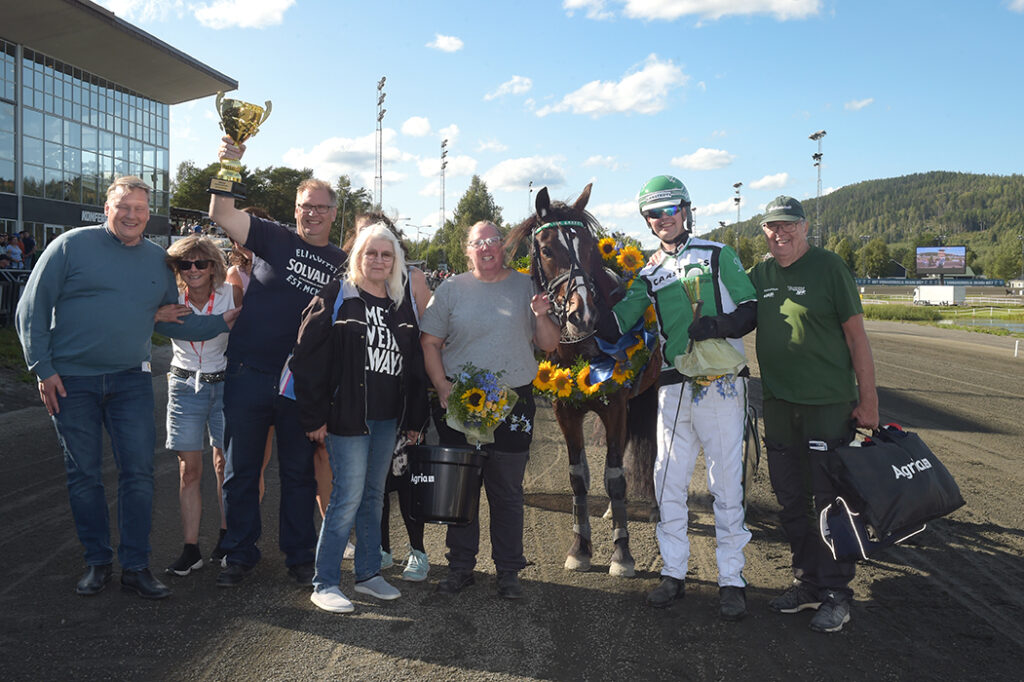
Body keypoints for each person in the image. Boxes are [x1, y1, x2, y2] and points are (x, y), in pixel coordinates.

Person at [15, 176, 237, 599]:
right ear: (107, 209)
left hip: (131, 380)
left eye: (140, 208)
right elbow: (32, 308)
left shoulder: (158, 261)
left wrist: (230, 319)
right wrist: (43, 369)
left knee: (138, 476)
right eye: (124, 207)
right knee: (85, 476)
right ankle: (97, 563)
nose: (132, 214)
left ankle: (135, 566)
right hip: (71, 381)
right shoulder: (70, 246)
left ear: (148, 214)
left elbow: (179, 317)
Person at [611, 175, 757, 621]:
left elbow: (751, 309)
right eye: (652, 214)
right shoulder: (648, 273)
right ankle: (673, 572)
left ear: (686, 210)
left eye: (668, 210)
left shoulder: (718, 255)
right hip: (673, 389)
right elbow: (615, 325)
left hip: (722, 387)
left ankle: (731, 578)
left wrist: (719, 326)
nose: (660, 220)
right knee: (667, 483)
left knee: (725, 486)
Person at [208, 137, 345, 588]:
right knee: (241, 469)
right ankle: (239, 553)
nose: (313, 213)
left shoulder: (346, 265)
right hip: (249, 372)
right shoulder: (275, 238)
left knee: (298, 474)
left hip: (299, 386)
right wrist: (228, 163)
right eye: (306, 205)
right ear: (296, 208)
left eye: (321, 207)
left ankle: (300, 556)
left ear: (333, 212)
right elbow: (221, 215)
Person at [748, 195, 879, 634]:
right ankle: (806, 582)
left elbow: (857, 338)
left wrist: (869, 401)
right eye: (771, 227)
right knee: (790, 501)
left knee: (830, 502)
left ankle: (837, 593)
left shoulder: (829, 268)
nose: (779, 233)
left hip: (828, 406)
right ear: (763, 232)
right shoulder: (760, 274)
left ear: (804, 228)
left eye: (788, 225)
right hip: (780, 406)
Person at [290, 223, 428, 613]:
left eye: (387, 255)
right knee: (346, 499)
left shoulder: (401, 303)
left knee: (373, 497)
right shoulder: (338, 296)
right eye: (372, 253)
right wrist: (314, 415)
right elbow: (307, 358)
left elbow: (413, 365)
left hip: (387, 420)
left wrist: (415, 419)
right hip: (346, 418)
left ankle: (368, 575)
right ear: (358, 257)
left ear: (396, 261)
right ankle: (326, 582)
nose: (379, 261)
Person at [419, 220, 560, 599]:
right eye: (478, 242)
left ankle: (509, 571)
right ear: (468, 250)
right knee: (461, 489)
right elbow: (429, 342)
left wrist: (542, 314)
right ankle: (460, 567)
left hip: (512, 400)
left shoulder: (527, 286)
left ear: (505, 249)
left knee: (507, 490)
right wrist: (441, 386)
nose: (486, 248)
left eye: (494, 241)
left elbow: (548, 345)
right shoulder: (449, 289)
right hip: (463, 399)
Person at [346, 211, 432, 580]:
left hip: (402, 405)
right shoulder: (347, 289)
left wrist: (418, 413)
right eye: (366, 240)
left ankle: (419, 551)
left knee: (410, 483)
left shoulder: (409, 283)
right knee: (373, 488)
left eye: (383, 246)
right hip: (363, 409)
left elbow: (424, 349)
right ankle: (380, 549)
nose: (376, 253)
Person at [163, 236, 233, 576]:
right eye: (185, 264)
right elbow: (177, 326)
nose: (193, 270)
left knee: (224, 465)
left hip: (223, 384)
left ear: (213, 266)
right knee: (188, 470)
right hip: (184, 384)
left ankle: (226, 538)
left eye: (200, 263)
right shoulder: (169, 300)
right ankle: (191, 549)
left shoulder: (231, 295)